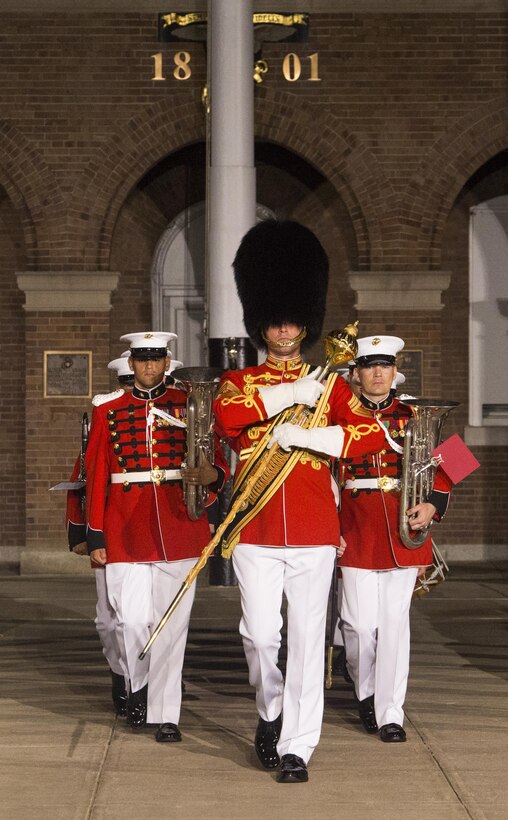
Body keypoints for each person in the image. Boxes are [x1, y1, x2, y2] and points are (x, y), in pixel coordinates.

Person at [213, 220, 388, 783]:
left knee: (310, 641)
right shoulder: (240, 383)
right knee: (260, 636)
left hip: (314, 530)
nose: (285, 328)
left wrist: (315, 437)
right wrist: (289, 393)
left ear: (306, 323)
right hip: (256, 528)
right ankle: (271, 710)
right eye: (275, 319)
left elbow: (371, 434)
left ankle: (297, 745)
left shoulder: (332, 385)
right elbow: (227, 417)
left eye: (293, 319)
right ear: (260, 323)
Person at [85, 331, 228, 742]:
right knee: (130, 621)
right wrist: (95, 535)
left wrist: (212, 476)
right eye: (142, 360)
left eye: (156, 359)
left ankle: (166, 714)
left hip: (179, 524)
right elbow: (96, 474)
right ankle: (139, 686)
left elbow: (217, 462)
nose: (149, 366)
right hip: (125, 527)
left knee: (172, 627)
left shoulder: (190, 403)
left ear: (167, 363)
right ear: (131, 364)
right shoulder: (108, 410)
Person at [338, 335, 452, 743]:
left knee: (394, 626)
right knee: (356, 626)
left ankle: (389, 713)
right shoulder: (340, 415)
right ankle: (365, 690)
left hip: (404, 529)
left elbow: (457, 460)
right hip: (354, 528)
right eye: (370, 366)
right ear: (357, 374)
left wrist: (433, 505)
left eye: (385, 365)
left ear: (394, 371)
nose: (378, 373)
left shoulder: (415, 414)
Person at [66, 354, 134, 716]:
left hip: (150, 530)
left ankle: (153, 679)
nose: (130, 390)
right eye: (125, 384)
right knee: (109, 619)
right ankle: (120, 674)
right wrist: (80, 532)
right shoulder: (107, 416)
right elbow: (83, 478)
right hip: (108, 529)